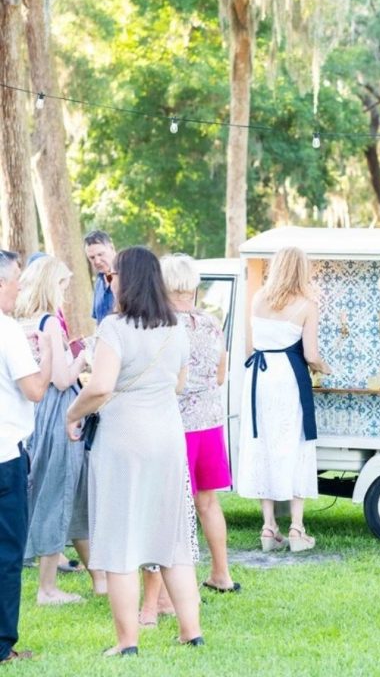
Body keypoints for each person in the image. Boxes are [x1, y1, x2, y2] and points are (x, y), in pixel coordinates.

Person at [66, 246, 203, 656]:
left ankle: (127, 641)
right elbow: (178, 385)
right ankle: (190, 631)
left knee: (121, 539)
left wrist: (72, 414)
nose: (110, 281)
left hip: (124, 440)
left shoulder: (114, 328)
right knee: (172, 537)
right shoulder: (177, 328)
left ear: (125, 280)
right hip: (167, 438)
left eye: (114, 276)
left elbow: (101, 385)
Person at [236, 247, 330, 553]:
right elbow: (311, 354)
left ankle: (268, 527)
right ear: (302, 271)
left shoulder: (258, 298)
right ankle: (296, 529)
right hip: (288, 379)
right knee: (293, 444)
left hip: (260, 378)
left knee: (264, 443)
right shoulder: (307, 305)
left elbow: (252, 345)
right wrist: (324, 368)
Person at [14, 256, 95, 605]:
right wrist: (84, 356)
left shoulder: (19, 321)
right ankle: (47, 588)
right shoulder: (48, 323)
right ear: (51, 285)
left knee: (73, 494)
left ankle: (99, 577)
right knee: (57, 493)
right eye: (62, 285)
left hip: (33, 410)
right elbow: (62, 379)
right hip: (58, 411)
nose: (64, 292)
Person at [160, 254, 237, 593]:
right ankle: (222, 573)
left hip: (177, 422)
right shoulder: (210, 322)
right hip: (210, 421)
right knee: (208, 501)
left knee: (173, 506)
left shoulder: (162, 324)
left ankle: (171, 586)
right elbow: (220, 375)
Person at [0, 250, 53, 664]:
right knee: (7, 553)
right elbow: (35, 390)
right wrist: (47, 353)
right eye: (16, 280)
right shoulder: (6, 330)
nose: (19, 288)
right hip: (4, 457)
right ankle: (2, 644)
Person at [83, 231, 116, 325]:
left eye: (101, 254)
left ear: (112, 248)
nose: (97, 261)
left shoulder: (130, 277)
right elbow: (98, 322)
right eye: (92, 258)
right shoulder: (99, 282)